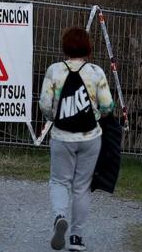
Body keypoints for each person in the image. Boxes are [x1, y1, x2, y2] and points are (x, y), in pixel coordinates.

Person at [39, 27, 114, 251]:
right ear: (88, 48)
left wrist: (55, 116)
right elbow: (108, 105)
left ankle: (60, 216)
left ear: (64, 48)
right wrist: (98, 115)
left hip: (62, 136)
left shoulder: (54, 70)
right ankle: (77, 238)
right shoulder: (96, 72)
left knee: (60, 181)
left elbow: (44, 104)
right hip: (91, 137)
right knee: (82, 187)